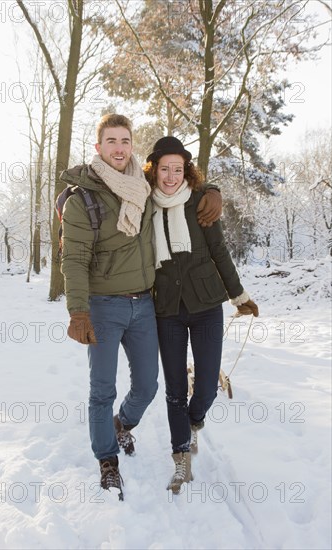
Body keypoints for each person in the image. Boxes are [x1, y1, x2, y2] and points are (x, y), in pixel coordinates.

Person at [60, 115, 223, 499]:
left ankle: (122, 423)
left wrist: (211, 189)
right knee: (102, 390)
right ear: (98, 146)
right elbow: (75, 259)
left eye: (125, 141)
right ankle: (107, 461)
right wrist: (78, 311)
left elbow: (177, 179)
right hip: (102, 306)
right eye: (111, 141)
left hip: (144, 304)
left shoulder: (143, 185)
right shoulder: (82, 197)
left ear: (132, 147)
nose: (119, 148)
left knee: (148, 385)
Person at [143, 136, 259, 494]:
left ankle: (194, 423)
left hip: (207, 305)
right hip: (167, 309)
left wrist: (238, 294)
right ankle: (181, 459)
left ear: (186, 170)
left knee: (207, 383)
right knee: (175, 388)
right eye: (165, 168)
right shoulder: (143, 204)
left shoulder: (200, 203)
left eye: (178, 169)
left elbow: (220, 251)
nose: (171, 176)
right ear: (154, 170)